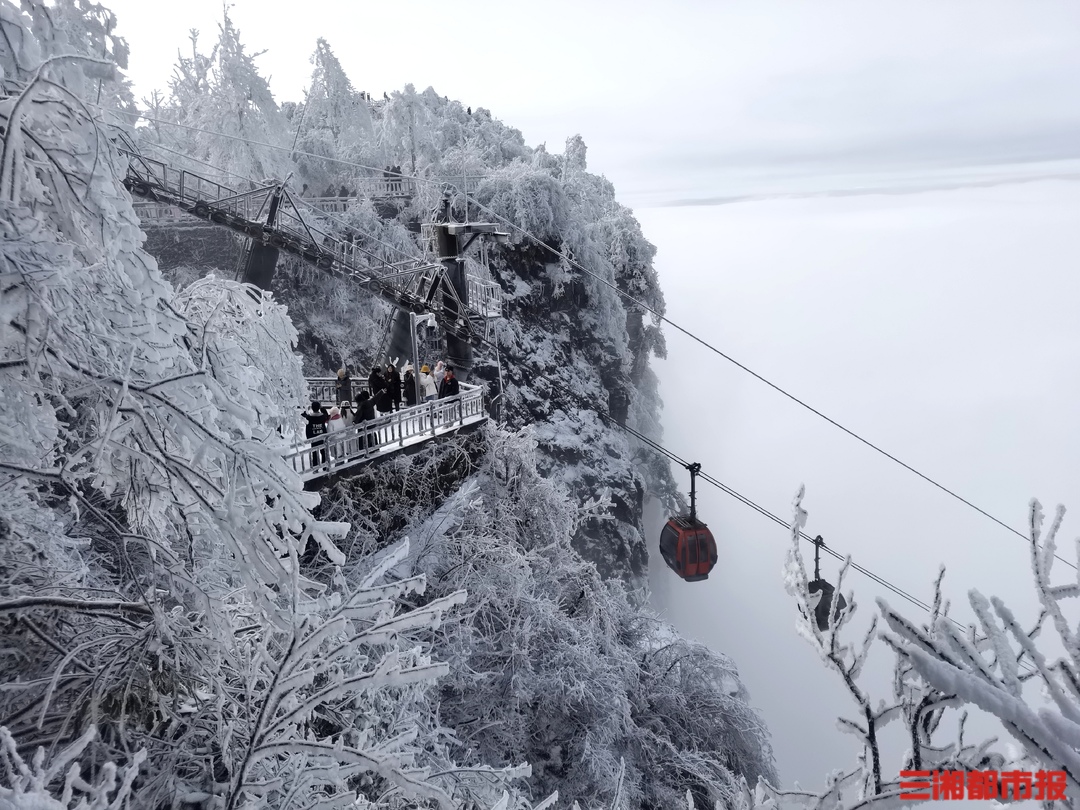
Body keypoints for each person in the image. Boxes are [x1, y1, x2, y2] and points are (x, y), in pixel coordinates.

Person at [301, 401, 329, 468]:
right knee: (323, 452)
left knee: (314, 453)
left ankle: (315, 467)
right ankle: (325, 466)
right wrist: (322, 408)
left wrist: (306, 409)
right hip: (322, 437)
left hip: (313, 438)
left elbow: (303, 415)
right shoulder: (322, 416)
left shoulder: (309, 417)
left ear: (312, 408)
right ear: (319, 408)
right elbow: (326, 414)